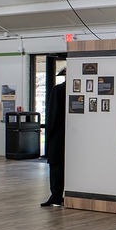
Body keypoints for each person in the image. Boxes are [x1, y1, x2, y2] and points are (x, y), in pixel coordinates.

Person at [42, 68, 67, 206]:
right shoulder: (72, 91)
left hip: (58, 135)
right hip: (71, 135)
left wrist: (49, 134)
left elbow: (52, 116)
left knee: (56, 166)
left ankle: (56, 195)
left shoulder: (58, 90)